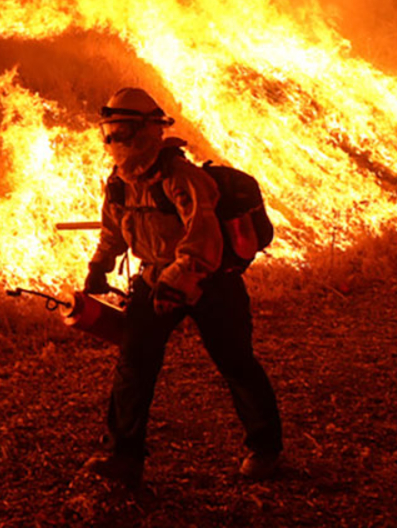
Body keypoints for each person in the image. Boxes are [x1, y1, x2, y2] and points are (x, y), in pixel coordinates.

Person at [80, 87, 283, 488]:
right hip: (155, 279)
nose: (116, 140)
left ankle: (265, 448)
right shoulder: (120, 183)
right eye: (111, 131)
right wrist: (99, 266)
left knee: (236, 363)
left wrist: (178, 283)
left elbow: (204, 240)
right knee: (134, 366)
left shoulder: (182, 178)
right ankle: (124, 456)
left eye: (124, 130)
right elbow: (113, 231)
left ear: (149, 131)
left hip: (210, 283)